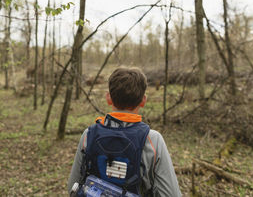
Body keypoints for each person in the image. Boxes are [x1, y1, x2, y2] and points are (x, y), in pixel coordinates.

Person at [68, 67, 181, 196]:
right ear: (143, 101)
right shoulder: (152, 140)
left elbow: (72, 187)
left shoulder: (88, 135)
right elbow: (171, 194)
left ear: (108, 98)